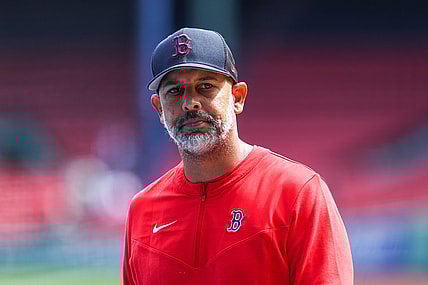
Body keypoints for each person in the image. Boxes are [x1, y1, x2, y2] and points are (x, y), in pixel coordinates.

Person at [122, 27, 354, 285]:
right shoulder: (143, 209)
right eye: (175, 92)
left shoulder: (297, 192)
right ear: (159, 109)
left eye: (205, 87)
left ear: (237, 97)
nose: (190, 103)